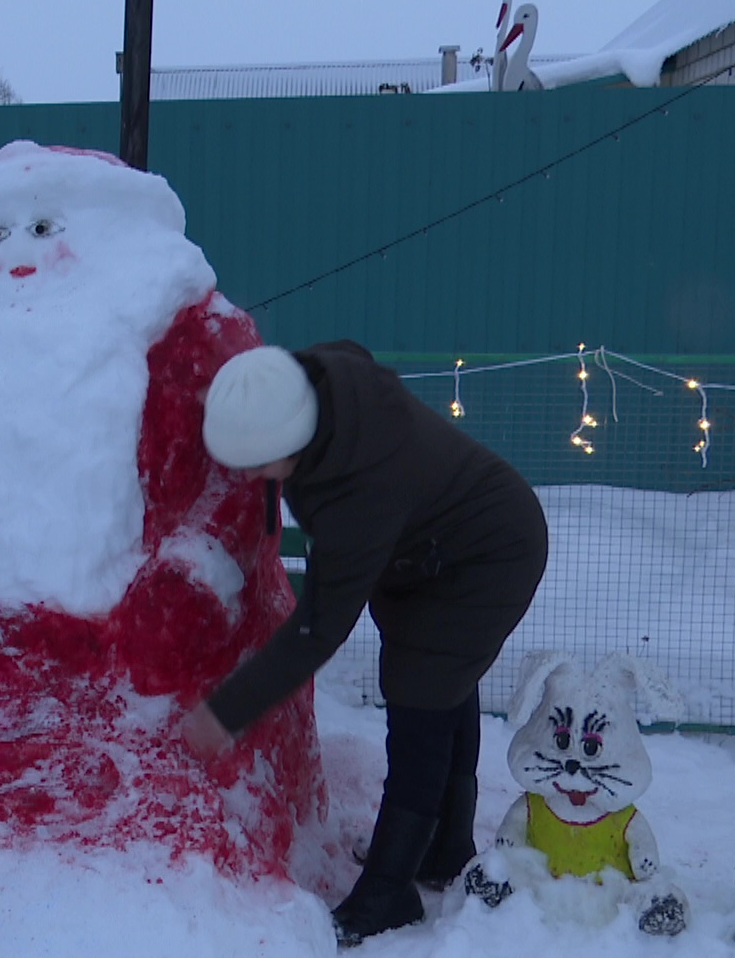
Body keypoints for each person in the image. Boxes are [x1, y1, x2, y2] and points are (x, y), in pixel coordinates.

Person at [182, 340, 548, 947]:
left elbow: (319, 628)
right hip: (431, 549)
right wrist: (227, 409)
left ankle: (389, 892)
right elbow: (305, 367)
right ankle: (443, 847)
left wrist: (227, 711)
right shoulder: (316, 382)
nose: (245, 478)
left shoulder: (361, 493)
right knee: (436, 682)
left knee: (420, 701)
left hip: (487, 556)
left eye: (254, 463)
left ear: (293, 444)